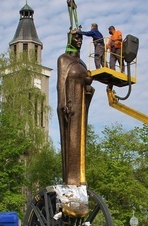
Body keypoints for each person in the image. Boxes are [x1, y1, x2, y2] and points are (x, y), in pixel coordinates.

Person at [57, 30, 94, 186]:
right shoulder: (63, 60)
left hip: (81, 107)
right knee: (71, 140)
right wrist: (62, 103)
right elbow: (60, 83)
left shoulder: (82, 64)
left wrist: (89, 86)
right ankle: (71, 179)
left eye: (81, 38)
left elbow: (87, 86)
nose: (79, 40)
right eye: (76, 37)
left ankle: (80, 177)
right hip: (70, 107)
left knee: (80, 140)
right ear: (70, 38)